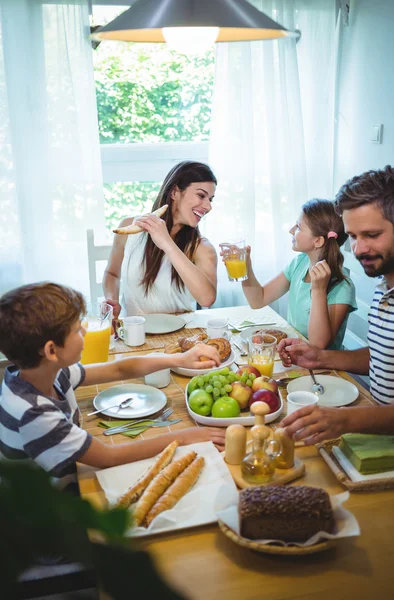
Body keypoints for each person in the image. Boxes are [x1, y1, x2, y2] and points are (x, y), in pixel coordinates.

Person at [0, 282, 226, 494]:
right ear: (51, 351)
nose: (86, 333)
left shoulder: (47, 372)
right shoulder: (34, 414)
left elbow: (118, 370)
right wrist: (187, 436)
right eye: (78, 330)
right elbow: (109, 456)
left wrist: (179, 360)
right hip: (53, 508)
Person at [278, 165, 394, 444]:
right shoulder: (385, 288)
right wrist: (320, 358)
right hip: (380, 432)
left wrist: (346, 419)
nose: (358, 250)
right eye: (354, 237)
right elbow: (383, 358)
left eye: (371, 235)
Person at [103, 161, 218, 317]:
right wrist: (112, 301)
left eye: (210, 199)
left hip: (181, 335)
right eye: (201, 195)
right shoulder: (129, 227)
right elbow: (112, 273)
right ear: (175, 193)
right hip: (135, 333)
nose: (208, 207)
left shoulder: (202, 247)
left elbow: (207, 299)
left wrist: (167, 243)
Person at [239, 199, 357, 349]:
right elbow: (258, 300)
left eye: (299, 227)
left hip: (323, 368)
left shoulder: (341, 286)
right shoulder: (300, 263)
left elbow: (318, 345)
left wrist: (318, 290)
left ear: (318, 241)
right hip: (293, 354)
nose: (291, 230)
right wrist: (246, 266)